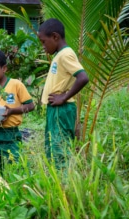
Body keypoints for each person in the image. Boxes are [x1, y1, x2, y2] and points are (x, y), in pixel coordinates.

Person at [38, 18, 89, 169]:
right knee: (53, 147)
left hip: (62, 110)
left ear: (55, 37)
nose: (43, 46)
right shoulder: (59, 54)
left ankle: (65, 184)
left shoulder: (66, 54)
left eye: (43, 42)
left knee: (60, 149)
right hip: (55, 110)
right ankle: (57, 182)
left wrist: (64, 97)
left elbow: (83, 77)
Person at [0, 49, 35, 170]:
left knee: (17, 164)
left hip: (10, 133)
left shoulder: (16, 85)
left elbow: (30, 106)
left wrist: (11, 111)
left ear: (4, 69)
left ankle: (18, 185)